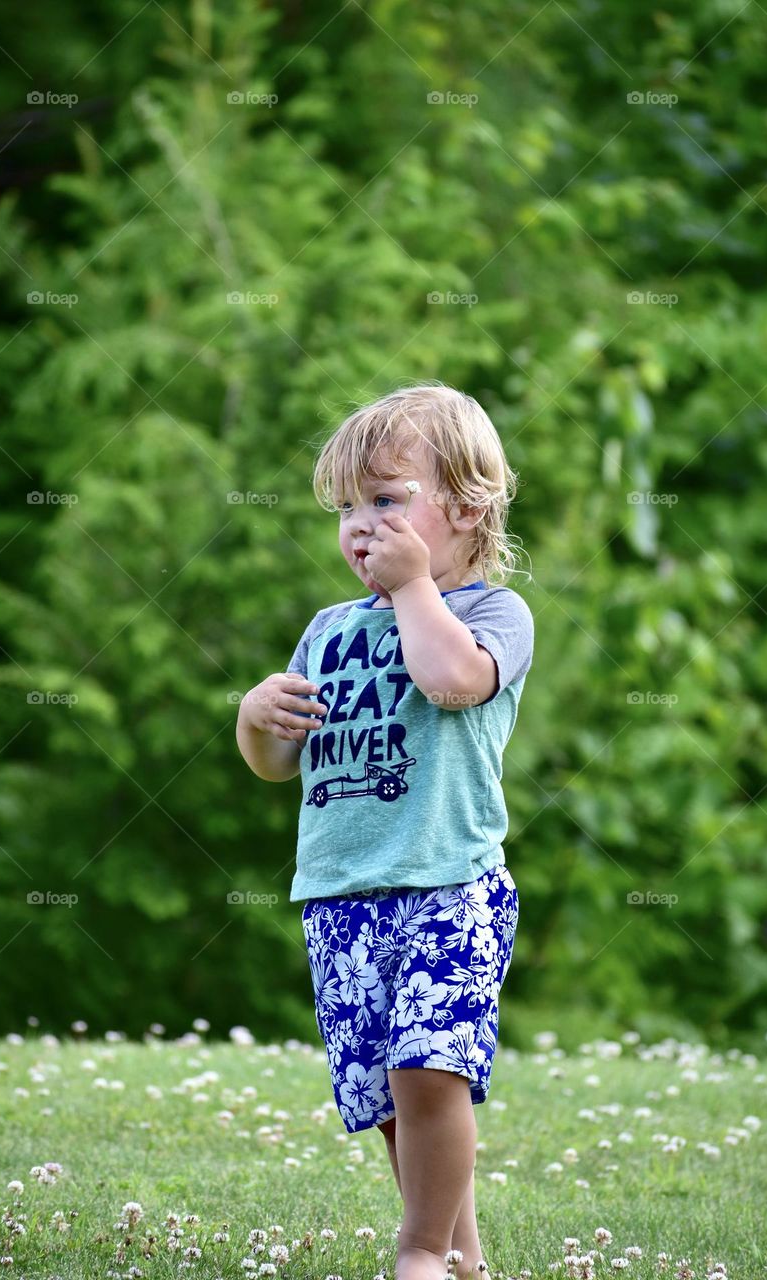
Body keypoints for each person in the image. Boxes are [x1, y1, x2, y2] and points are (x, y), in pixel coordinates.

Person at [236, 383, 535, 1280]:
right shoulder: (327, 631)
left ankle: (416, 1254)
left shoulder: (492, 616)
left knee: (429, 1070)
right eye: (347, 507)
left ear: (468, 505)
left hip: (450, 884)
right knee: (392, 1097)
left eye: (386, 498)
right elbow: (277, 764)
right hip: (341, 897)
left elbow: (450, 682)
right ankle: (462, 1258)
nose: (361, 524)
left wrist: (411, 587)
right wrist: (256, 720)